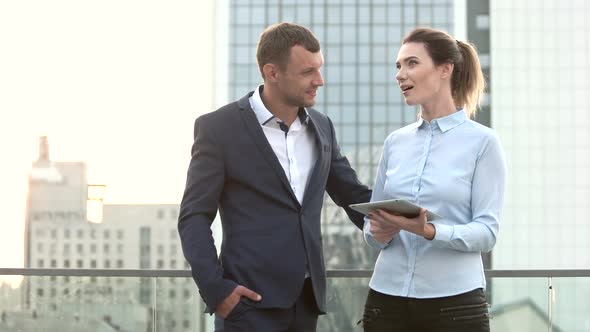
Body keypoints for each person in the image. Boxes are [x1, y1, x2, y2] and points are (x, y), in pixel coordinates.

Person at [178, 22, 371, 332]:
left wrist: (413, 222)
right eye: (307, 72)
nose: (319, 80)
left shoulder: (322, 127)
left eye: (318, 69)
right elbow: (193, 218)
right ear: (272, 73)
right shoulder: (218, 129)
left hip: (307, 303)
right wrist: (217, 291)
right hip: (246, 306)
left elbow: (354, 196)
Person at [360, 28, 507, 332]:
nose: (400, 74)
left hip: (455, 306)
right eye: (398, 66)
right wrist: (381, 230)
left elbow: (486, 232)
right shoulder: (395, 143)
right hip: (386, 301)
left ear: (445, 69)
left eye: (411, 63)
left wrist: (427, 230)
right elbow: (370, 232)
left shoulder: (483, 143)